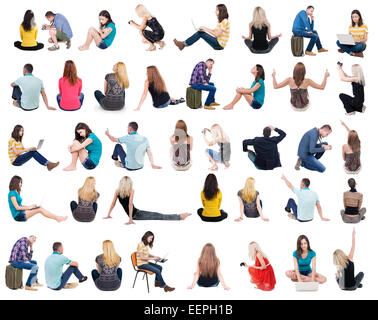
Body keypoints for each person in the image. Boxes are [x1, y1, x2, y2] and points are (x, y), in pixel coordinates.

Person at [104, 176, 191, 224]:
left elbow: (113, 204)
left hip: (137, 212)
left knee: (158, 214)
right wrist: (131, 219)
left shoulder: (117, 191)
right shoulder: (131, 190)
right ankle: (180, 217)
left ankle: (179, 216)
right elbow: (129, 205)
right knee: (159, 216)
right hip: (136, 215)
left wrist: (108, 215)